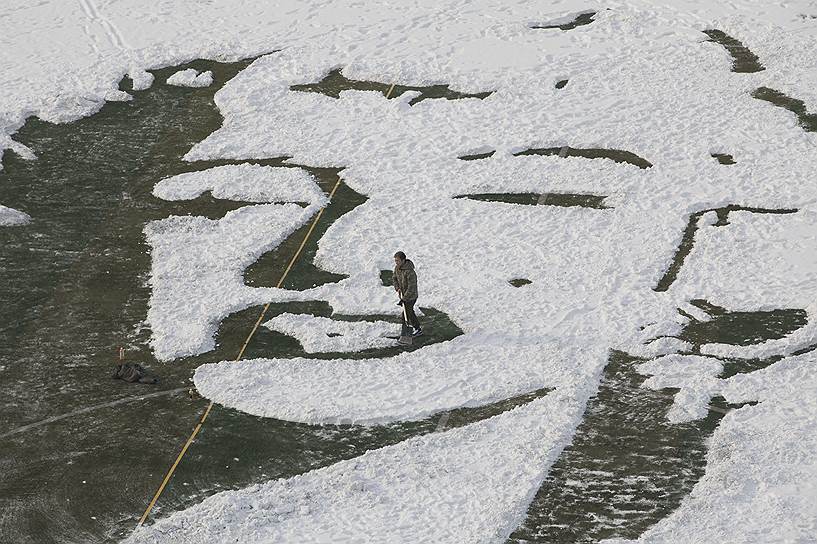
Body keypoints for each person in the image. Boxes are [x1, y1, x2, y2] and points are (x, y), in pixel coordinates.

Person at [393, 251, 422, 337]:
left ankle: (407, 333)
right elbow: (394, 278)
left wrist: (404, 299)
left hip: (411, 296)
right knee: (409, 312)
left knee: (406, 314)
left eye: (397, 260)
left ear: (403, 260)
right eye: (395, 261)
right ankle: (417, 329)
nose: (396, 262)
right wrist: (397, 288)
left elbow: (411, 288)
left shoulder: (410, 272)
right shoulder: (397, 268)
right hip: (403, 295)